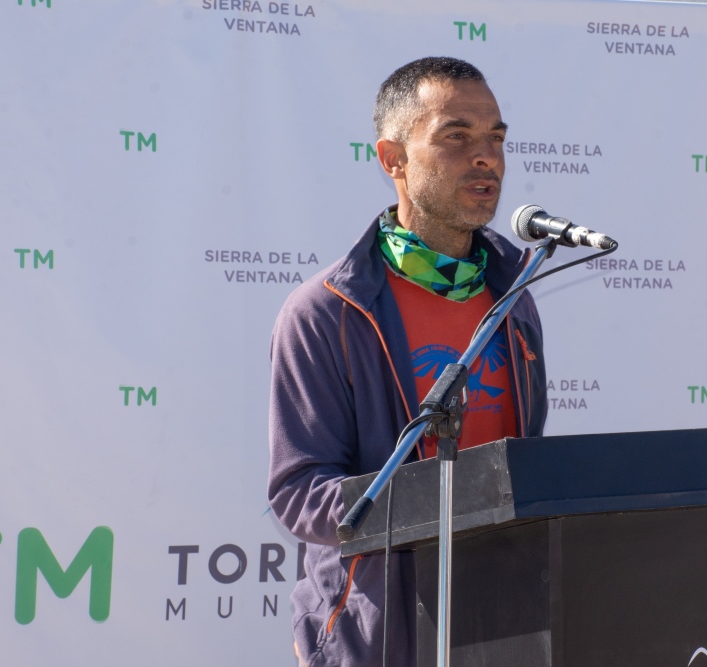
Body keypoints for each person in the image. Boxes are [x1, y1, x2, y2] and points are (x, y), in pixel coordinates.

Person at [268, 56, 548, 667]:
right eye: (457, 135)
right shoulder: (328, 311)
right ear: (392, 158)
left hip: (508, 621)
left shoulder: (514, 298)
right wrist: (449, 498)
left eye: (496, 138)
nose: (487, 157)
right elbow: (299, 493)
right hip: (379, 633)